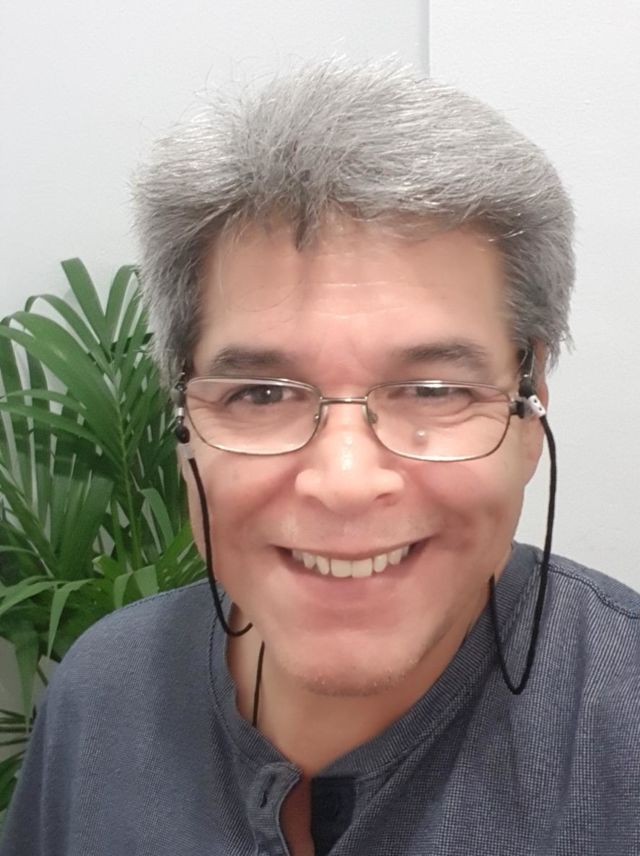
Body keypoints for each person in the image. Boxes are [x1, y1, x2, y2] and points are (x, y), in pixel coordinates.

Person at [2, 59, 639, 856]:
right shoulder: (104, 693)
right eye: (261, 394)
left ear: (529, 404)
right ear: (182, 416)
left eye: (432, 390)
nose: (344, 482)